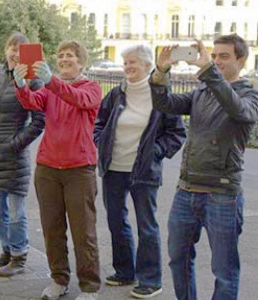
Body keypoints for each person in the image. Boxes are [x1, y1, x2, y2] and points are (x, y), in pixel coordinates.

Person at [151, 34, 258, 300]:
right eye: (214, 55)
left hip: (222, 194)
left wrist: (209, 71)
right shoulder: (203, 90)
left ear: (241, 60)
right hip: (186, 190)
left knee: (224, 269)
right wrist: (161, 72)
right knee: (178, 259)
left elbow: (240, 111)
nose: (216, 61)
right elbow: (165, 104)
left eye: (224, 56)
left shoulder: (249, 94)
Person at [93, 45, 186, 299]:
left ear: (147, 65)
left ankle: (151, 280)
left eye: (133, 62)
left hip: (144, 170)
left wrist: (156, 151)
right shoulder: (116, 94)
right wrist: (100, 141)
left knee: (147, 226)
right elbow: (99, 122)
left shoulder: (160, 96)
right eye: (125, 63)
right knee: (116, 220)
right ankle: (124, 272)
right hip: (113, 168)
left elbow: (177, 134)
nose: (128, 67)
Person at [14, 41, 102, 300]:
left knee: (83, 231)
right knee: (52, 228)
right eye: (61, 55)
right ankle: (59, 279)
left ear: (81, 63)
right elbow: (32, 102)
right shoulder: (51, 89)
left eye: (70, 56)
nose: (64, 59)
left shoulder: (92, 88)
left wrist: (50, 80)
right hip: (48, 168)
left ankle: (89, 286)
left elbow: (77, 99)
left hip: (79, 169)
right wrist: (21, 84)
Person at [0, 32, 45, 277]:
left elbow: (39, 121)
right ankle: (6, 250)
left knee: (17, 211)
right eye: (12, 47)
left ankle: (19, 255)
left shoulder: (33, 80)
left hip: (15, 154)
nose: (15, 53)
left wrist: (16, 143)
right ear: (5, 49)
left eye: (20, 49)